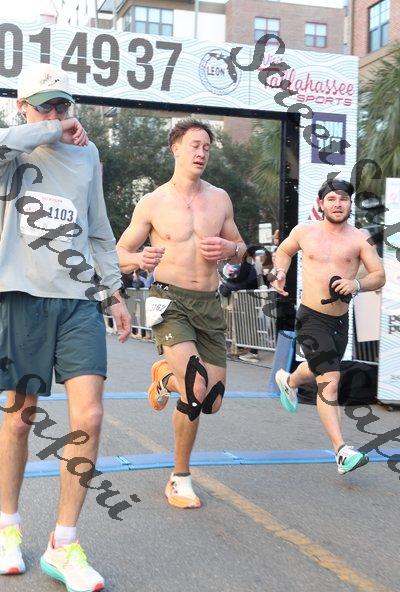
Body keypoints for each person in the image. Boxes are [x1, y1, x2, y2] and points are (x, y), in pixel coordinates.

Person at [0, 64, 131, 592]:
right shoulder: (15, 152)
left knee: (90, 416)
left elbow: (99, 229)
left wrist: (115, 293)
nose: (57, 115)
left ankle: (65, 543)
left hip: (78, 301)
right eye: (46, 106)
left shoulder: (88, 155)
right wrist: (53, 130)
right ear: (23, 108)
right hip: (21, 294)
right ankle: (7, 529)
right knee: (19, 419)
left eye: (63, 106)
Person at [117, 118, 245, 508]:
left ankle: (163, 377)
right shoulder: (153, 202)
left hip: (208, 303)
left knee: (213, 399)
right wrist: (139, 259)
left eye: (207, 147)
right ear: (176, 148)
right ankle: (179, 477)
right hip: (166, 300)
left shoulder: (220, 199)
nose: (201, 152)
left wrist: (230, 250)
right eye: (194, 145)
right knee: (195, 385)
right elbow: (119, 254)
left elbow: (240, 248)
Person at [272, 178, 385, 474]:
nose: (338, 204)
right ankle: (341, 451)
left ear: (350, 204)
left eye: (343, 199)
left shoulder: (360, 238)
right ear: (321, 204)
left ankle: (290, 381)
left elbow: (379, 275)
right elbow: (283, 251)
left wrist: (356, 284)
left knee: (318, 368)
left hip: (340, 320)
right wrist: (280, 272)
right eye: (332, 199)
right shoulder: (305, 232)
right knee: (330, 379)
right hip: (310, 317)